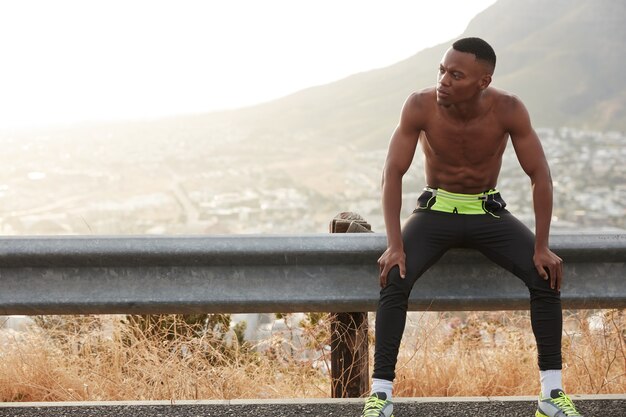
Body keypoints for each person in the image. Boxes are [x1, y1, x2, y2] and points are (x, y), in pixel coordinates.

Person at [361, 37, 583, 417]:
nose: (444, 80)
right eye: (442, 70)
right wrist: (394, 244)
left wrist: (542, 246)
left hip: (487, 212)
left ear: (483, 81)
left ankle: (551, 395)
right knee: (394, 276)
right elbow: (392, 174)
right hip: (436, 210)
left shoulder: (509, 109)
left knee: (545, 275)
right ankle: (381, 396)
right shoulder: (419, 105)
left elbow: (540, 176)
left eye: (456, 74)